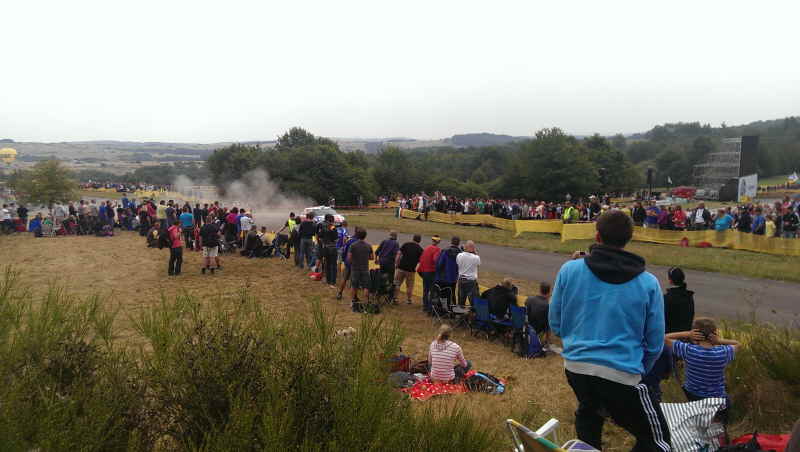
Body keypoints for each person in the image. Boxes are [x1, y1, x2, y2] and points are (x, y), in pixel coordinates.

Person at [549, 211, 670, 452]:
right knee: (659, 442)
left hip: (576, 367)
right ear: (629, 238)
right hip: (622, 373)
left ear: (597, 236)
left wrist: (578, 343)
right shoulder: (648, 283)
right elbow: (655, 342)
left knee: (589, 412)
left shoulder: (569, 270)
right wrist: (638, 369)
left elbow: (555, 323)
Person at [665, 317, 740, 422]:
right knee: (725, 401)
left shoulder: (688, 350)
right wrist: (719, 341)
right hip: (717, 399)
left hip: (692, 396)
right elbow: (737, 344)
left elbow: (664, 338)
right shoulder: (723, 352)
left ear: (695, 334)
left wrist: (688, 334)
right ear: (714, 333)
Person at [347, 228, 374, 311]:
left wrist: (353, 262)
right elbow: (372, 257)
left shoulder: (353, 245)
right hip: (365, 268)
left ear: (357, 235)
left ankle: (352, 302)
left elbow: (349, 258)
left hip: (355, 268)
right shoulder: (368, 246)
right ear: (365, 236)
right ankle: (366, 302)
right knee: (366, 286)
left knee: (354, 285)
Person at [663, 267, 695, 334]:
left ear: (670, 280)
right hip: (686, 334)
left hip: (670, 336)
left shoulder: (667, 298)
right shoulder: (689, 296)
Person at [394, 234, 423, 304]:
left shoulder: (406, 244)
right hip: (411, 270)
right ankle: (409, 300)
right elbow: (421, 261)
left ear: (413, 238)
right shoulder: (420, 249)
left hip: (401, 268)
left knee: (397, 283)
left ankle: (395, 298)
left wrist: (396, 263)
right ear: (420, 241)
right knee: (409, 286)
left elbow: (398, 254)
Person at [418, 235, 442, 314]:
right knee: (432, 290)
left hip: (423, 271)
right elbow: (435, 260)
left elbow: (421, 259)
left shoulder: (427, 248)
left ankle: (425, 306)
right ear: (438, 242)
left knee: (425, 289)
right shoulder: (437, 249)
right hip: (431, 272)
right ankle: (430, 308)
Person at [525, 282, 552, 346]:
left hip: (527, 327)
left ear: (540, 290)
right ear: (549, 292)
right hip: (537, 331)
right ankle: (547, 341)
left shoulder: (529, 299)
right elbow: (548, 323)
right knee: (550, 321)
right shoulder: (547, 306)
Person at [455, 240, 480, 307]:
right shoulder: (476, 257)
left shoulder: (459, 255)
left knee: (461, 300)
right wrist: (475, 252)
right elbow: (478, 264)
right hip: (471, 281)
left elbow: (457, 263)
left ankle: (460, 314)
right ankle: (474, 314)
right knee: (474, 301)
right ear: (473, 248)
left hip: (461, 280)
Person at [320, 214, 339, 287]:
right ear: (332, 220)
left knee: (327, 264)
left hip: (325, 247)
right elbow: (336, 239)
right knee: (333, 265)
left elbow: (320, 236)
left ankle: (328, 280)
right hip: (333, 248)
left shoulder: (323, 227)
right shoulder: (333, 227)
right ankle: (332, 282)